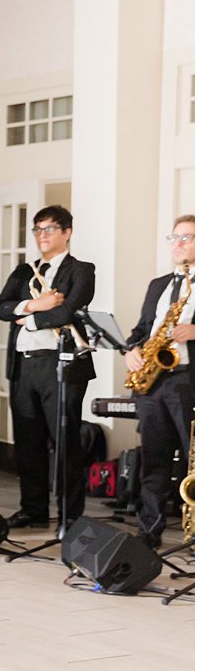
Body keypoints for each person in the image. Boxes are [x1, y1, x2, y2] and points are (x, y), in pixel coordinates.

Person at [0, 206, 96, 530]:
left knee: (65, 441)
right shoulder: (25, 271)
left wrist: (30, 319)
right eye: (37, 230)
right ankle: (33, 509)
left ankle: (70, 515)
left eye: (49, 229)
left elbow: (68, 311)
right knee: (28, 442)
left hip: (60, 366)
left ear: (67, 232)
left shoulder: (81, 269)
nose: (42, 236)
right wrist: (35, 305)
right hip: (23, 367)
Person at [124, 214, 195, 546]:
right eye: (174, 238)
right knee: (153, 460)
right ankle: (148, 532)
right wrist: (131, 350)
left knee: (193, 461)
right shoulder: (159, 284)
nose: (178, 244)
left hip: (187, 378)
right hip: (153, 382)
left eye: (187, 238)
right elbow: (140, 330)